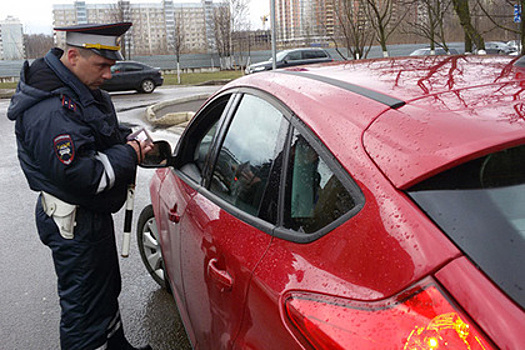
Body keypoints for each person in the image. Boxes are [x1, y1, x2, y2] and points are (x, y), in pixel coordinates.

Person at [7, 22, 153, 350]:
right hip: (74, 222)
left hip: (86, 218)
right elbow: (82, 173)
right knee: (85, 313)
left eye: (112, 66)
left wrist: (124, 136)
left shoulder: (72, 90)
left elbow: (92, 130)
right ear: (72, 56)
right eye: (102, 65)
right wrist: (129, 153)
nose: (109, 74)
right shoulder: (49, 109)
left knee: (103, 293)